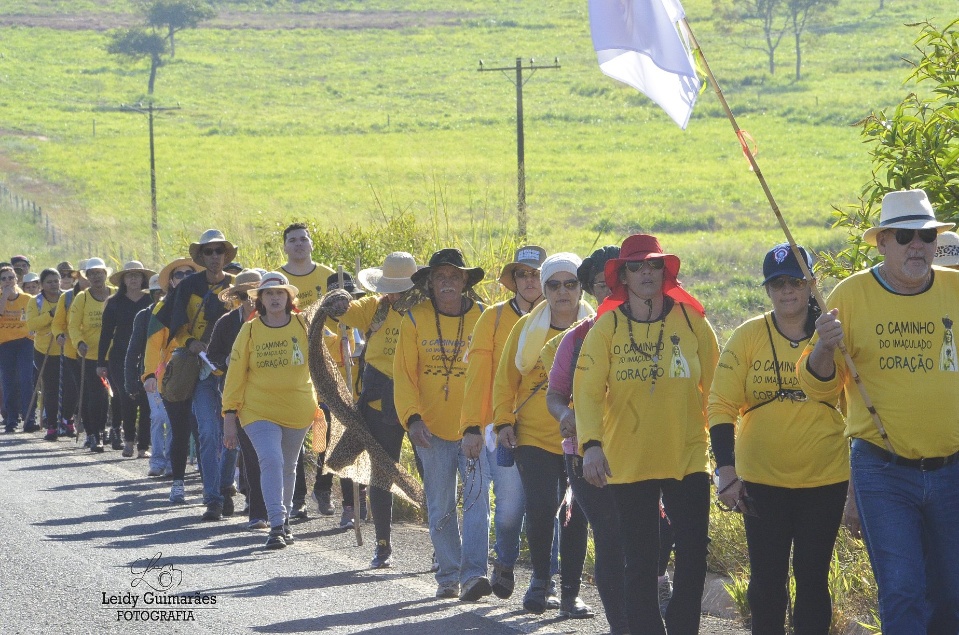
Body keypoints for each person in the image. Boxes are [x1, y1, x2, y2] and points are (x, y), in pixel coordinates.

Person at [798, 189, 959, 634]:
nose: (918, 246)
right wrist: (825, 348)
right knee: (902, 589)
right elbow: (817, 385)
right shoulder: (850, 295)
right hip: (883, 470)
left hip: (952, 468)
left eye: (926, 236)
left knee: (952, 595)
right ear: (883, 241)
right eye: (906, 236)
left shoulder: (956, 289)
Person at [574, 233, 719, 635]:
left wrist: (727, 452)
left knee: (693, 556)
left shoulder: (693, 322)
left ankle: (683, 627)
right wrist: (591, 446)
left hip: (688, 455)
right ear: (623, 276)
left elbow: (719, 389)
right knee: (640, 561)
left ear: (665, 271)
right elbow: (585, 392)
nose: (645, 274)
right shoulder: (606, 329)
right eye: (636, 267)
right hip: (629, 460)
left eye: (653, 265)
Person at [709, 244, 848, 635]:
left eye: (796, 282)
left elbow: (856, 402)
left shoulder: (833, 334)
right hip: (761, 482)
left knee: (813, 581)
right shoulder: (749, 335)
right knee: (767, 583)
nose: (788, 291)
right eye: (778, 283)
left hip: (825, 480)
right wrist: (726, 472)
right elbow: (720, 404)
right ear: (768, 290)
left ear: (811, 285)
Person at [493, 253, 595, 617]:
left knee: (576, 515)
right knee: (539, 510)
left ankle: (571, 593)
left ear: (582, 287)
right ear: (545, 289)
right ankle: (540, 582)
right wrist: (503, 422)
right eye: (553, 285)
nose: (562, 292)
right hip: (534, 436)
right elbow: (505, 380)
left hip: (584, 438)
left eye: (570, 284)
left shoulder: (598, 328)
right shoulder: (525, 329)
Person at [542, 245, 631, 633]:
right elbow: (555, 393)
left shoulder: (660, 332)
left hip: (642, 451)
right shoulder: (577, 339)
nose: (611, 291)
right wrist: (565, 416)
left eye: (618, 282)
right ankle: (620, 623)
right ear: (591, 291)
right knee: (611, 535)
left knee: (647, 536)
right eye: (601, 284)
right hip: (584, 454)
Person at [394, 248, 491, 600]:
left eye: (454, 276)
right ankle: (448, 575)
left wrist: (481, 424)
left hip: (474, 431)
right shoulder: (415, 319)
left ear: (465, 281)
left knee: (478, 502)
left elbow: (492, 374)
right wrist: (413, 419)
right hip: (430, 431)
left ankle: (474, 575)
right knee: (441, 505)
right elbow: (404, 377)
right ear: (430, 284)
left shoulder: (484, 316)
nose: (447, 282)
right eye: (440, 277)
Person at [321, 252, 423, 567]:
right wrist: (337, 301)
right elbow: (344, 313)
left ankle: (440, 547)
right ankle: (382, 545)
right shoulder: (374, 308)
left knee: (432, 474)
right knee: (381, 474)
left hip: (421, 400)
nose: (395, 293)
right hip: (380, 400)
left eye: (401, 287)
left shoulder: (427, 310)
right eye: (391, 286)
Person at [460, 245, 547, 600]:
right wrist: (471, 426)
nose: (530, 280)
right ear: (513, 281)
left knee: (547, 507)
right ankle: (506, 563)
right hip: (503, 428)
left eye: (537, 273)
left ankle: (546, 581)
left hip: (552, 429)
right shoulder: (493, 318)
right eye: (523, 274)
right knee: (510, 509)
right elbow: (478, 377)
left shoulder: (568, 316)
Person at [222, 272, 318, 550]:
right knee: (271, 460)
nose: (275, 298)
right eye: (269, 294)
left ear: (289, 298)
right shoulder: (250, 330)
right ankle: (275, 524)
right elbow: (235, 375)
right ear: (260, 301)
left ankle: (284, 519)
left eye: (280, 293)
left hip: (298, 408)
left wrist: (343, 341)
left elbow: (326, 353)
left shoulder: (304, 324)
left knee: (289, 465)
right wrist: (230, 414)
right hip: (257, 409)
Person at [155, 229, 236, 504]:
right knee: (208, 432)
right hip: (199, 368)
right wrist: (191, 342)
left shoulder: (237, 287)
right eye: (208, 252)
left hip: (232, 370)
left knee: (234, 432)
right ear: (201, 256)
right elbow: (176, 323)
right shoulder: (188, 287)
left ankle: (225, 485)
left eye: (219, 251)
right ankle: (212, 495)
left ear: (226, 255)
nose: (214, 256)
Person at [210, 270, 264, 528]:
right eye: (244, 295)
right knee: (235, 442)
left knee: (253, 446)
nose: (249, 300)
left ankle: (252, 497)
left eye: (254, 294)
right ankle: (225, 491)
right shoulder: (226, 323)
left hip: (261, 390)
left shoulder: (270, 321)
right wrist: (227, 362)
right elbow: (213, 357)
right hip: (232, 390)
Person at [142, 257, 203, 478]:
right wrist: (149, 374)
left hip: (204, 371)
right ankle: (166, 466)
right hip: (172, 375)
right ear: (171, 281)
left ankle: (207, 473)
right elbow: (152, 344)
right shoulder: (163, 307)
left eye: (190, 274)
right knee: (171, 423)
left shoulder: (203, 301)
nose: (185, 278)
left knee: (202, 426)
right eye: (179, 274)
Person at [99, 261, 156, 458]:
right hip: (119, 357)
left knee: (147, 401)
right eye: (129, 275)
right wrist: (100, 362)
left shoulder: (151, 301)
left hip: (148, 355)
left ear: (143, 278)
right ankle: (129, 441)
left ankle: (143, 446)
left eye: (137, 275)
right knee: (126, 397)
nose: (133, 279)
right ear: (123, 279)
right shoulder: (114, 303)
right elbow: (106, 334)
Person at [69, 258, 115, 451]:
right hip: (90, 356)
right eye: (92, 273)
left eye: (100, 272)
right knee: (94, 395)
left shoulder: (115, 295)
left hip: (114, 354)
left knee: (112, 396)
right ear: (87, 277)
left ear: (106, 274)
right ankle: (93, 433)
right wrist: (79, 343)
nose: (96, 276)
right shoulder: (82, 298)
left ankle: (109, 431)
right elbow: (73, 325)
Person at [51, 260, 89, 440]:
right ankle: (67, 418)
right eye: (85, 275)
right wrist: (58, 334)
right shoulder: (66, 297)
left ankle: (93, 428)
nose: (89, 279)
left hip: (96, 350)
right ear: (79, 277)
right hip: (71, 350)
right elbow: (58, 323)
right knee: (74, 389)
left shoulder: (107, 295)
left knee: (95, 391)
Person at [26, 268, 63, 440]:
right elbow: (32, 324)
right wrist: (50, 315)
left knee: (70, 387)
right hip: (44, 350)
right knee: (51, 388)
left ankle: (67, 420)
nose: (54, 285)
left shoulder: (67, 298)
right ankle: (52, 426)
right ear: (42, 285)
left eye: (56, 281)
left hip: (66, 349)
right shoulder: (36, 302)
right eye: (49, 282)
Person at [0, 265, 38, 433]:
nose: (8, 281)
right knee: (8, 381)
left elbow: (34, 319)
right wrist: (4, 298)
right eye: (4, 278)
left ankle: (29, 417)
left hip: (25, 342)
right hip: (5, 343)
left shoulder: (27, 298)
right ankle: (11, 418)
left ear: (17, 280)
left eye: (11, 278)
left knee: (25, 379)